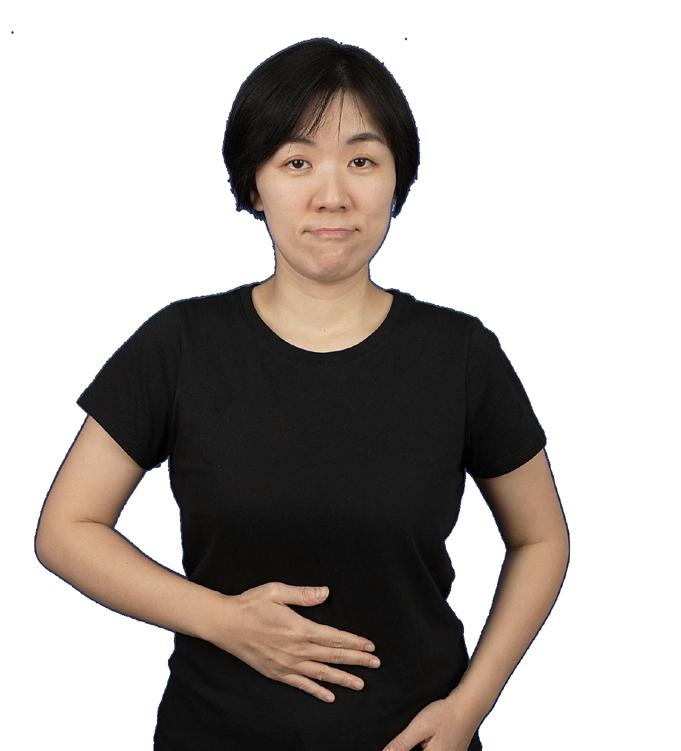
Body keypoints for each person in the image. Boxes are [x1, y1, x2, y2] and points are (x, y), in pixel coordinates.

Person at [34, 37, 569, 751]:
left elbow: (541, 538)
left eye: (362, 161)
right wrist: (225, 621)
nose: (332, 194)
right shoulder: (181, 345)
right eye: (296, 162)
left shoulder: (460, 354)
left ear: (397, 181)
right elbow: (67, 529)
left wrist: (469, 707)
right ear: (254, 184)